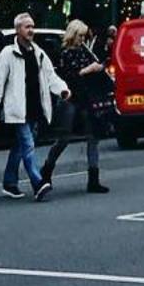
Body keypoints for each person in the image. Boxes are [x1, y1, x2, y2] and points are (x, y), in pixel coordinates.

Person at [0, 11, 69, 200]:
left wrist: (62, 89)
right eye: (27, 27)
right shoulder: (7, 53)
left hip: (34, 107)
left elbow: (50, 76)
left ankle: (9, 182)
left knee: (20, 146)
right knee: (28, 145)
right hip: (17, 109)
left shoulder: (38, 53)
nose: (31, 30)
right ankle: (38, 183)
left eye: (32, 26)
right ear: (17, 30)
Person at [40, 20, 111, 195]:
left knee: (92, 137)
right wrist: (89, 69)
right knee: (64, 138)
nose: (82, 39)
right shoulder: (66, 53)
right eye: (79, 36)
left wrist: (100, 67)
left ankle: (93, 179)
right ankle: (47, 170)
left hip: (87, 98)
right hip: (71, 99)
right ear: (72, 35)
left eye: (84, 36)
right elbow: (70, 76)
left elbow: (96, 70)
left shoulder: (85, 52)